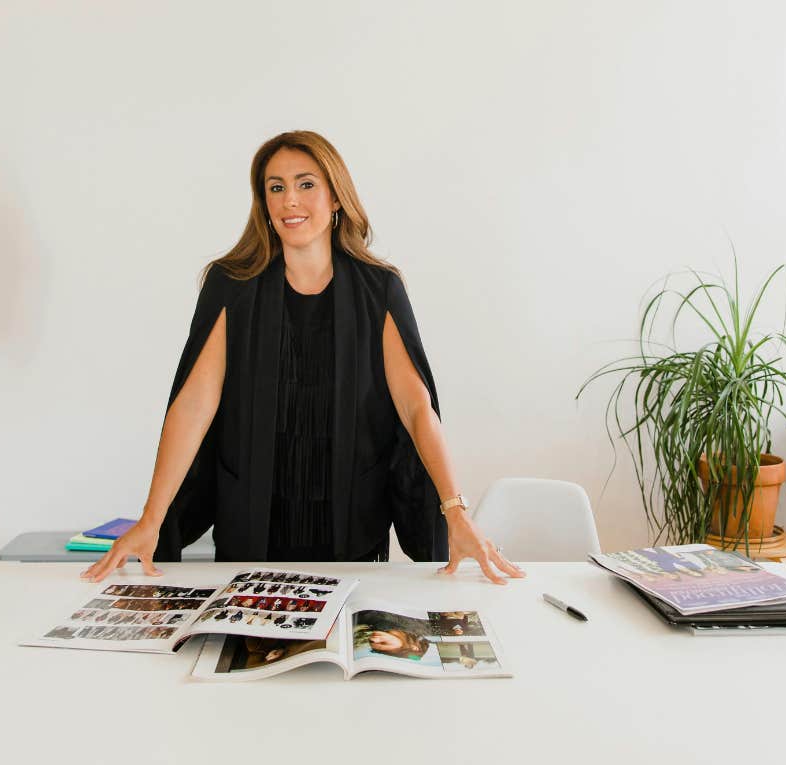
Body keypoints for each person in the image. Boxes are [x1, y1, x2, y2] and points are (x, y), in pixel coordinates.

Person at [82, 130, 523, 584]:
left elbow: (416, 408)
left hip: (350, 531)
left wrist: (455, 513)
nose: (289, 200)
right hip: (250, 529)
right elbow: (194, 405)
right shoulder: (230, 284)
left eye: (305, 184)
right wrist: (151, 520)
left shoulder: (379, 288)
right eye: (276, 188)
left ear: (336, 198)